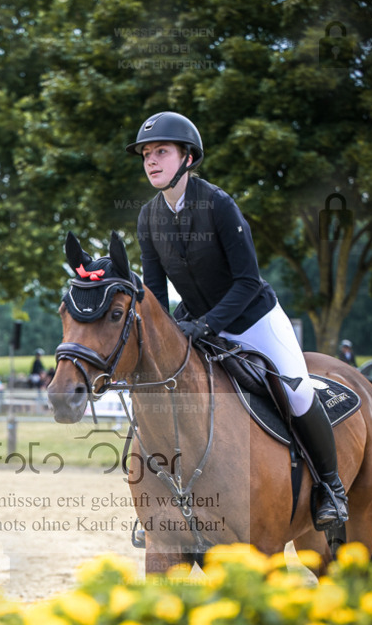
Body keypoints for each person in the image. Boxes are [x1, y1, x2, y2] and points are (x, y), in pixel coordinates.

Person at [126, 110, 348, 531]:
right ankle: (165, 502)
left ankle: (330, 488)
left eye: (161, 152)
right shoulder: (148, 217)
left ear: (187, 158)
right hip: (196, 322)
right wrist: (168, 334)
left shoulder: (219, 205)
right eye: (145, 155)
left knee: (297, 392)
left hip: (253, 318)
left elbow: (247, 281)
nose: (151, 161)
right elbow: (154, 294)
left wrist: (204, 325)